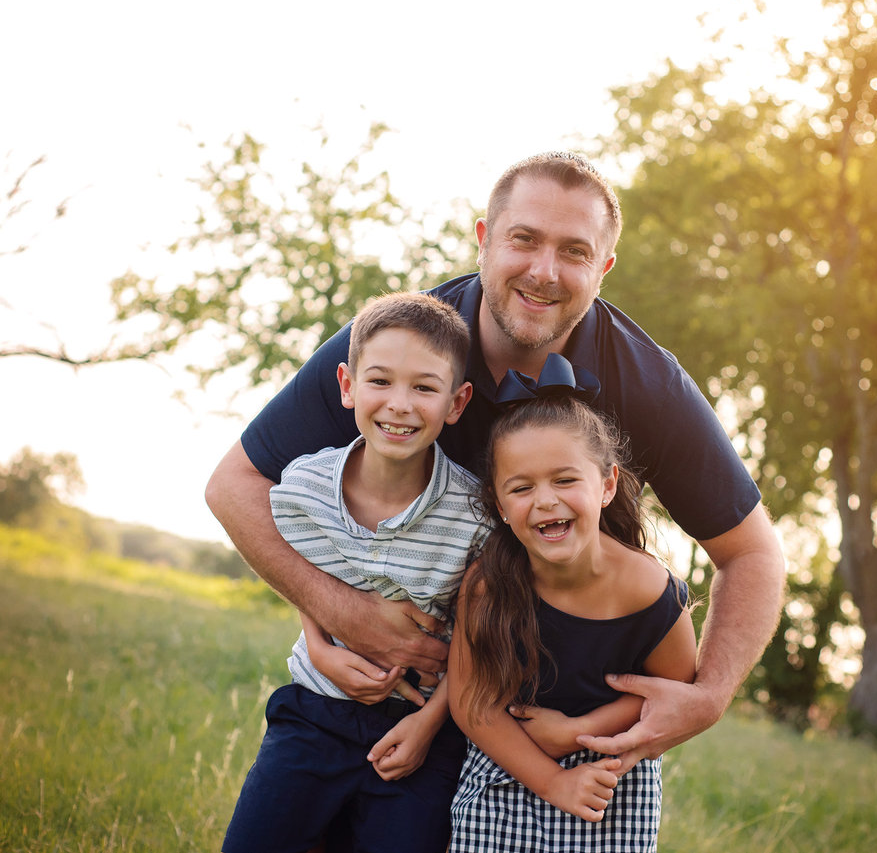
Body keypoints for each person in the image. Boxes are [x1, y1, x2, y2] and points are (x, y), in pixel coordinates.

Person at [205, 150, 785, 769]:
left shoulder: (648, 384)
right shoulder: (399, 345)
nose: (544, 271)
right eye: (524, 240)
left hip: (557, 718)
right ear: (484, 241)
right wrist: (336, 609)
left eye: (574, 251)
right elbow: (235, 484)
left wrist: (711, 694)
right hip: (393, 690)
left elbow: (753, 552)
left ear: (604, 268)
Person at [221, 292, 489, 853]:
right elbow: (303, 569)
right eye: (380, 381)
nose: (400, 404)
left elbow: (475, 635)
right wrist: (319, 647)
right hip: (314, 713)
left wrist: (429, 724)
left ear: (456, 401)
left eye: (424, 387)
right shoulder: (303, 485)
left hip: (417, 731)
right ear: (346, 385)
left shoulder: (474, 517)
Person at [447, 362, 697, 852]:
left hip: (609, 777)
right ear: (499, 504)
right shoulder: (487, 584)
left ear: (606, 485)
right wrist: (551, 780)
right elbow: (470, 701)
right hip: (508, 759)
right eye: (521, 488)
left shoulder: (650, 592)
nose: (544, 501)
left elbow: (672, 693)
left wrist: (578, 732)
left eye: (565, 480)